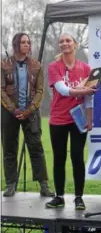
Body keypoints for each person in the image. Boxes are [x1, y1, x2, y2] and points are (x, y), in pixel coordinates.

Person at [45, 33, 96, 210]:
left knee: (77, 157)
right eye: (61, 41)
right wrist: (84, 89)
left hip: (78, 120)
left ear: (75, 44)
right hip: (58, 119)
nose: (64, 43)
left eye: (68, 40)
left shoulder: (86, 68)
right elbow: (63, 90)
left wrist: (89, 118)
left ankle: (79, 197)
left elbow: (89, 99)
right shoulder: (54, 67)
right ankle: (59, 196)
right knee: (59, 158)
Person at [1, 32, 54, 198]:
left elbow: (40, 90)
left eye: (29, 42)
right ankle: (10, 185)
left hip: (31, 113)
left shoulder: (36, 65)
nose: (27, 45)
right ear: (16, 44)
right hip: (9, 113)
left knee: (36, 148)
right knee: (9, 149)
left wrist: (29, 110)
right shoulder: (4, 65)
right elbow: (1, 90)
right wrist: (13, 109)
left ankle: (44, 185)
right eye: (23, 42)